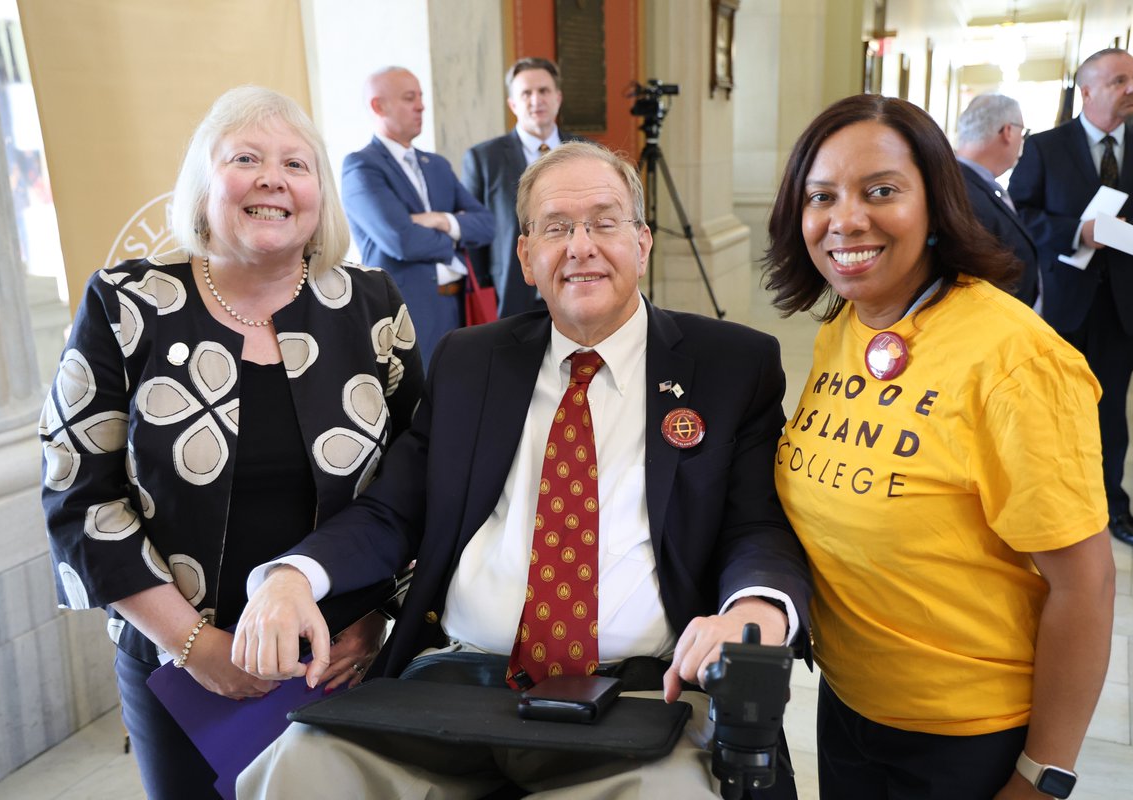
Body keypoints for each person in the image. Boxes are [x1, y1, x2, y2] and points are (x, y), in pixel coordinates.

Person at [234, 141, 811, 799]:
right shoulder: (468, 361)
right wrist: (291, 577)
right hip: (456, 688)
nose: (581, 246)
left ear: (643, 244)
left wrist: (756, 606)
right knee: (303, 768)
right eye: (557, 228)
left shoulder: (730, 366)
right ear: (527, 259)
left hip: (638, 698)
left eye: (604, 222)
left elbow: (756, 528)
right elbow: (391, 510)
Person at [38, 86, 424, 800]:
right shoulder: (127, 305)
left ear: (320, 194)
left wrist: (378, 619)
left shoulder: (371, 304)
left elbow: (419, 474)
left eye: (296, 164)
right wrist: (197, 646)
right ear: (205, 183)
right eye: (246, 158)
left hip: (345, 657)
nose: (273, 177)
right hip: (180, 665)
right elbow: (78, 495)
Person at [764, 94, 1115, 799]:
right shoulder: (846, 329)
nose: (845, 220)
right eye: (821, 196)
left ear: (936, 205)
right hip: (850, 710)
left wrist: (1041, 774)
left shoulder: (1012, 358)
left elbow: (1086, 583)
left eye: (881, 191)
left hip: (967, 741)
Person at [1009, 48, 1133, 549]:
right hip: (1062, 300)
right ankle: (1044, 506)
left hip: (1124, 300)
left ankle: (1111, 509)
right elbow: (1021, 214)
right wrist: (1080, 231)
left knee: (1110, 409)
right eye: (1120, 80)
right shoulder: (1047, 147)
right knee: (1052, 408)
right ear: (1089, 91)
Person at [342, 66, 495, 368]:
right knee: (419, 407)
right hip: (407, 310)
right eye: (410, 98)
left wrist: (440, 220)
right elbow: (402, 240)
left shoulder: (436, 165)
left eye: (421, 96)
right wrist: (455, 235)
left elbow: (488, 224)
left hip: (459, 305)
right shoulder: (362, 167)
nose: (421, 105)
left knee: (463, 396)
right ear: (378, 106)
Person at [462, 57, 588, 317]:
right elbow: (473, 236)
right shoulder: (484, 158)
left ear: (558, 97)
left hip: (577, 284)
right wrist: (487, 286)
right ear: (512, 103)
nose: (536, 100)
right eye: (526, 93)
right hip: (509, 294)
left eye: (543, 91)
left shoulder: (588, 152)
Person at [955, 93, 1040, 309]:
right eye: (1024, 132)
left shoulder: (969, 181)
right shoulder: (962, 191)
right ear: (1008, 131)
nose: (1023, 140)